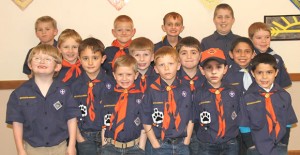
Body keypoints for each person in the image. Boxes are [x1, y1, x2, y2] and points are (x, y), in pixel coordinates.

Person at [6, 44, 81, 155]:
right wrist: (20, 150)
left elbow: (72, 119)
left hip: (60, 148)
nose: (42, 62)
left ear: (57, 67)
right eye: (37, 58)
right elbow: (17, 123)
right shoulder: (19, 93)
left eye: (47, 59)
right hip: (32, 149)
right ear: (30, 64)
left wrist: (71, 146)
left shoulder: (65, 91)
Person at [239, 53, 298, 155]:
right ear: (253, 73)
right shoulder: (246, 98)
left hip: (279, 146)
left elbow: (288, 121)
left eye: (269, 72)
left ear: (276, 72)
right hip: (256, 147)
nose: (264, 77)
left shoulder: (284, 96)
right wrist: (250, 145)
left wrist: (284, 143)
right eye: (259, 72)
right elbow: (244, 125)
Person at [142, 46, 193, 155]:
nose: (166, 68)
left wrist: (187, 139)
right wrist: (154, 142)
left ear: (178, 66)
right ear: (155, 69)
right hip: (158, 143)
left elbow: (191, 116)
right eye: (161, 65)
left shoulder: (186, 89)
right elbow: (145, 118)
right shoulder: (151, 90)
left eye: (170, 64)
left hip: (181, 143)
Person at [70, 37, 114, 155]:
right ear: (79, 59)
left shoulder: (112, 84)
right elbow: (70, 114)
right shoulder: (74, 86)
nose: (90, 63)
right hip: (84, 137)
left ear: (103, 59)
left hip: (109, 136)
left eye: (95, 58)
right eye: (85, 58)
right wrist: (79, 137)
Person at [194, 48, 240, 155]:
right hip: (207, 144)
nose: (214, 72)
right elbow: (195, 118)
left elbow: (239, 114)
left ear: (225, 69)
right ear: (202, 70)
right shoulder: (197, 94)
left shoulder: (234, 92)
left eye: (218, 67)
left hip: (231, 143)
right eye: (209, 67)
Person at [100, 55, 146, 155]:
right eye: (120, 74)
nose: (124, 78)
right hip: (110, 147)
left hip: (134, 148)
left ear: (136, 75)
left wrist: (141, 147)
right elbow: (104, 123)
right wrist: (104, 144)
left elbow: (144, 124)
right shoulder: (107, 97)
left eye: (129, 74)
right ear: (114, 75)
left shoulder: (142, 97)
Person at [176, 36, 205, 155]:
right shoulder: (172, 79)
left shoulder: (207, 77)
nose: (189, 57)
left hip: (203, 130)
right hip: (179, 130)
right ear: (177, 56)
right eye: (184, 53)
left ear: (200, 55)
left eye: (193, 52)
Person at [248, 22, 292, 89]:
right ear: (251, 39)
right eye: (259, 38)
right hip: (252, 97)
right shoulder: (247, 59)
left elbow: (284, 84)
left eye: (267, 37)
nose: (264, 41)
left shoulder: (277, 59)